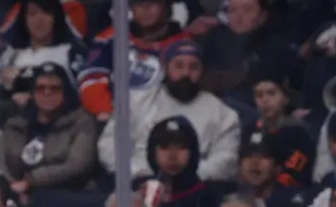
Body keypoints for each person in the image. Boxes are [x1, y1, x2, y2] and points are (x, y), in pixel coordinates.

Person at [99, 42, 239, 181]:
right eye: (178, 66)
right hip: (138, 182)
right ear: (165, 68)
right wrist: (140, 173)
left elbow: (227, 159)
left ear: (202, 71)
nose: (186, 73)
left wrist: (186, 177)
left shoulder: (223, 114)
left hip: (195, 188)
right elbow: (109, 146)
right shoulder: (136, 102)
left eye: (194, 67)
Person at [0, 64, 98, 199]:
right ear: (32, 93)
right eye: (40, 88)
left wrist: (30, 181)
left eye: (55, 88)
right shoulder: (16, 123)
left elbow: (78, 164)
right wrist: (10, 186)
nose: (47, 93)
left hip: (65, 195)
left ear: (65, 92)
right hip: (15, 194)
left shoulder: (81, 122)